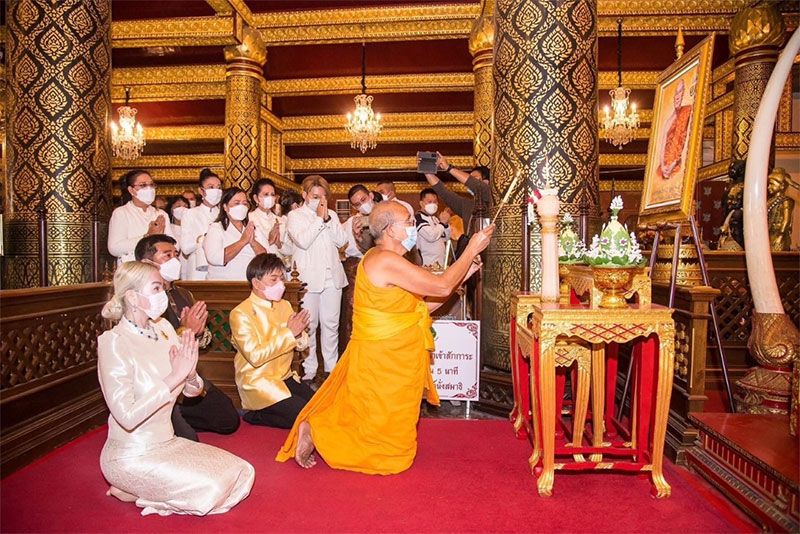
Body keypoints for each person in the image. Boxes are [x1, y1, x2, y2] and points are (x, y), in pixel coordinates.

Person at [277, 202, 494, 474]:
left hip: (398, 353)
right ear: (391, 229)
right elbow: (442, 285)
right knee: (387, 450)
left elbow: (421, 308)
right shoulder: (384, 260)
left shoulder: (389, 260)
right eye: (408, 221)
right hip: (382, 355)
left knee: (384, 430)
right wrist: (471, 247)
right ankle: (318, 430)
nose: (413, 226)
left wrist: (468, 270)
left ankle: (318, 429)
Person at [97, 261, 254, 516]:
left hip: (168, 441)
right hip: (131, 454)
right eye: (156, 288)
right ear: (133, 297)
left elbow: (188, 391)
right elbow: (126, 417)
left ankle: (142, 490)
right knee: (213, 489)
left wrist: (190, 377)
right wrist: (174, 377)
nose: (163, 295)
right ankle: (137, 491)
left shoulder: (164, 329)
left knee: (241, 471)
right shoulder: (114, 343)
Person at [134, 234, 241, 441]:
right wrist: (184, 331)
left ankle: (177, 415)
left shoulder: (183, 293)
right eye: (167, 255)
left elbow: (204, 341)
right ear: (146, 262)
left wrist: (197, 332)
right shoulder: (139, 299)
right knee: (188, 441)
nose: (175, 260)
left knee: (228, 420)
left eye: (176, 254)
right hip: (155, 383)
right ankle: (162, 418)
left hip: (186, 378)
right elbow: (148, 348)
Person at [231, 253, 315, 428]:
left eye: (281, 279)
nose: (280, 284)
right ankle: (256, 414)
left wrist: (299, 335)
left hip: (285, 377)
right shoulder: (240, 313)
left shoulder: (284, 305)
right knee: (305, 418)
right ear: (256, 283)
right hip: (259, 382)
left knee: (321, 408)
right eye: (273, 279)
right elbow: (255, 356)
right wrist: (290, 334)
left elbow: (301, 345)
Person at [286, 175, 348, 386]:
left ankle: (331, 368)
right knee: (309, 326)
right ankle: (309, 368)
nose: (320, 200)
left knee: (331, 325)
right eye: (315, 196)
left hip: (332, 279)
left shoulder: (331, 215)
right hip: (308, 280)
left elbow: (342, 241)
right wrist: (319, 219)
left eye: (323, 196)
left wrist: (328, 220)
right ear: (304, 195)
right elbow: (303, 241)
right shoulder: (295, 216)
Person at [338, 185, 377, 353]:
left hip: (383, 269)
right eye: (357, 204)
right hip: (356, 270)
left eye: (363, 200)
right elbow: (343, 249)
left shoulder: (387, 213)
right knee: (354, 312)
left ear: (371, 195)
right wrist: (358, 237)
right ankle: (352, 353)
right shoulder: (351, 223)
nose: (362, 205)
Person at [108, 169, 177, 264]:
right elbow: (114, 248)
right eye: (143, 185)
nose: (149, 189)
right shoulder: (121, 213)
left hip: (159, 269)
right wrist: (148, 236)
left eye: (151, 185)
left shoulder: (161, 214)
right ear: (131, 190)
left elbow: (175, 245)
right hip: (132, 269)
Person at [204, 188, 268, 280]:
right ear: (225, 207)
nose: (241, 207)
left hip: (250, 282)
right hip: (223, 284)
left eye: (245, 203)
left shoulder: (253, 228)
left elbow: (265, 257)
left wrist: (253, 242)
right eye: (237, 203)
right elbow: (214, 258)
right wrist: (242, 241)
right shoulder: (216, 228)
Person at [423, 154, 491, 237]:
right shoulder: (467, 206)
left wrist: (448, 168)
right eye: (470, 177)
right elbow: (444, 192)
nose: (467, 184)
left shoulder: (493, 200)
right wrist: (427, 171)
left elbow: (477, 185)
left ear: (486, 182)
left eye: (474, 178)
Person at [180, 169, 223, 280]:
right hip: (197, 267)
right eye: (211, 187)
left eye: (218, 187)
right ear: (201, 191)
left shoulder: (223, 213)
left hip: (219, 267)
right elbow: (185, 248)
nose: (216, 191)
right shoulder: (190, 213)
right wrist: (202, 240)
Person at [657, 78, 693, 180]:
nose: (678, 97)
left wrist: (673, 164)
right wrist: (663, 166)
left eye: (681, 92)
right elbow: (663, 145)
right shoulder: (668, 121)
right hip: (665, 163)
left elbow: (684, 142)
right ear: (674, 96)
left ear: (683, 95)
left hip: (676, 164)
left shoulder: (687, 111)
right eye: (677, 93)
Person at [249, 178, 290, 259]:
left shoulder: (281, 220)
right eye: (266, 194)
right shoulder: (249, 218)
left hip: (278, 265)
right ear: (256, 198)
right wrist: (270, 241)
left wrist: (279, 244)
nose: (270, 197)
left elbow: (290, 250)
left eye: (272, 194)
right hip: (258, 265)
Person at [415, 188, 451, 266]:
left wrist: (445, 224)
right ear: (421, 204)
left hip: (439, 262)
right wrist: (442, 223)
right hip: (427, 263)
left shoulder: (434, 219)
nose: (433, 204)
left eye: (435, 202)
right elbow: (431, 236)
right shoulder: (418, 218)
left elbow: (445, 237)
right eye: (429, 202)